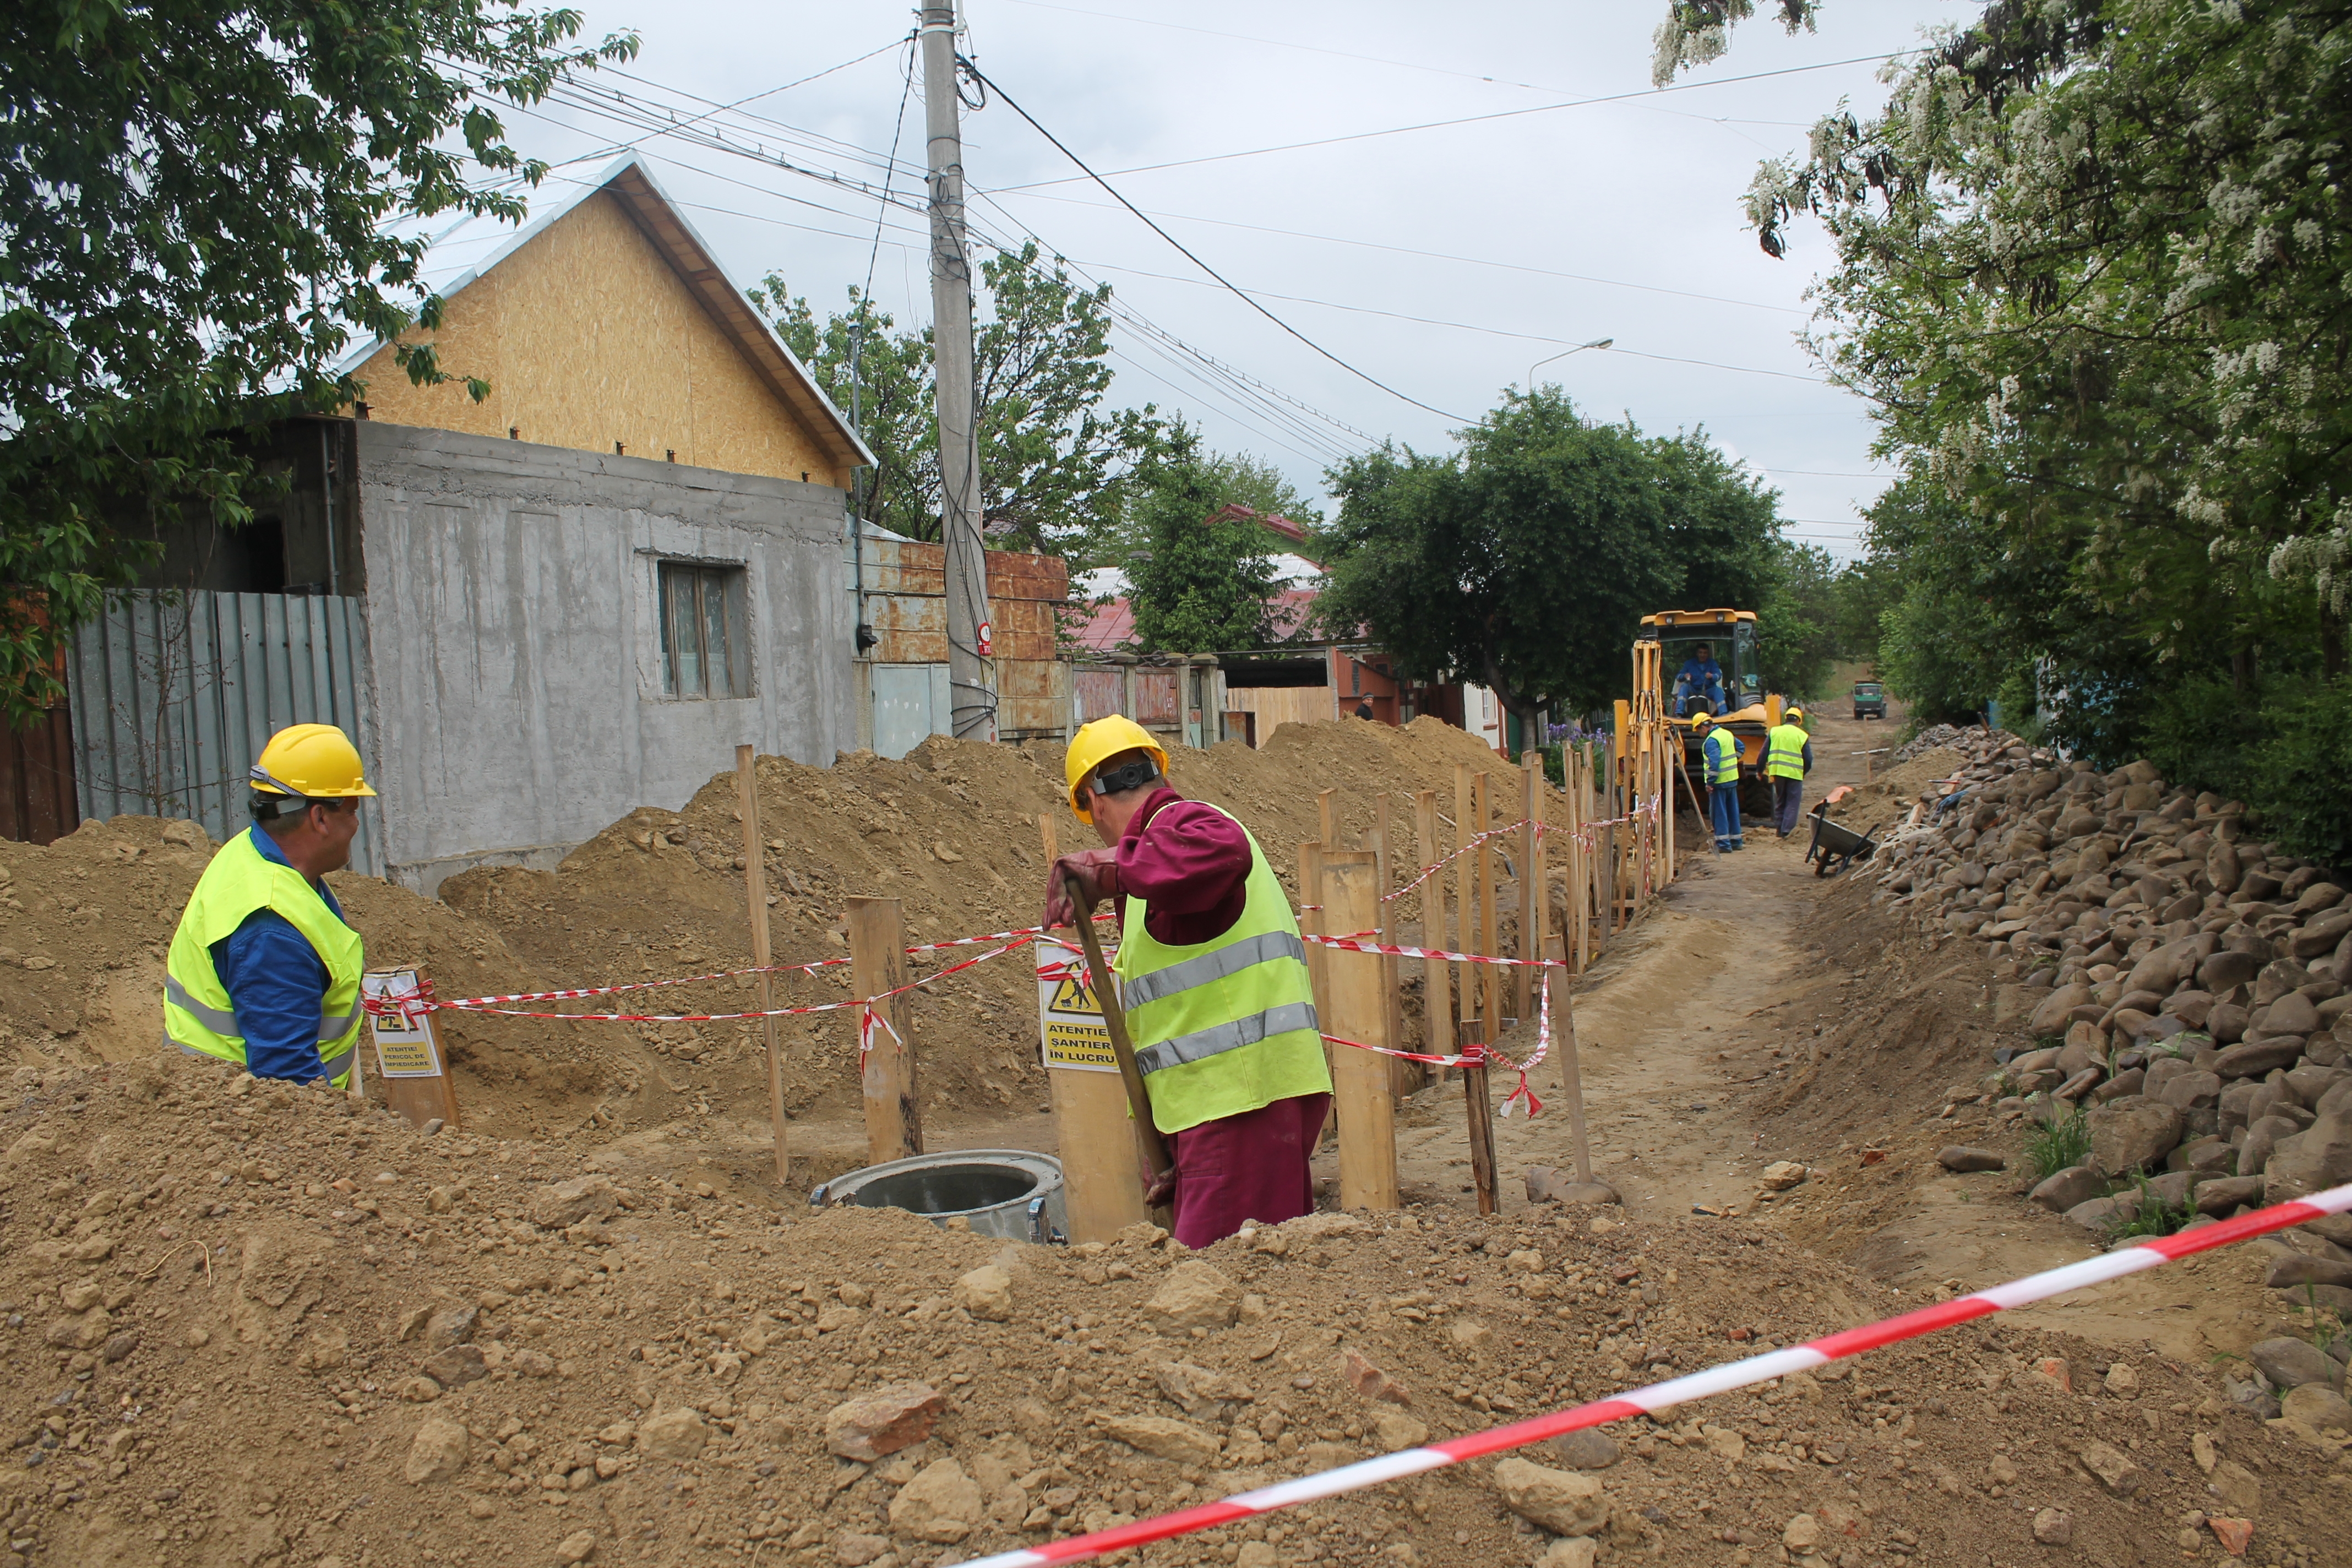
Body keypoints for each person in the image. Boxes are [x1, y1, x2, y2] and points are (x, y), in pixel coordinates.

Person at [1043, 715, 1332, 1249]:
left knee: (1223, 1285)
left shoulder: (1184, 825)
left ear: (1095, 803)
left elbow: (1223, 850)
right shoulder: (1156, 863)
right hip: (1225, 1112)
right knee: (1253, 1275)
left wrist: (1107, 871)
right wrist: (1173, 1141)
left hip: (1239, 1106)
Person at [165, 724, 376, 1086]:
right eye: (352, 810)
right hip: (238, 1116)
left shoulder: (253, 853)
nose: (356, 824)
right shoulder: (272, 931)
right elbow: (290, 1084)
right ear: (320, 818)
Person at [1696, 713, 1743, 852]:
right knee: (1733, 812)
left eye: (1698, 730)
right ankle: (1736, 841)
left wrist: (1710, 783)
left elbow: (1715, 763)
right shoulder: (1726, 734)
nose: (1699, 734)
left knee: (1719, 814)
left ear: (1703, 727)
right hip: (1732, 779)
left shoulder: (1711, 741)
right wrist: (1733, 760)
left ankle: (1723, 845)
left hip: (1720, 782)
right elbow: (1741, 747)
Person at [1766, 705, 1814, 839]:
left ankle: (1779, 828)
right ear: (1799, 721)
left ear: (1786, 719)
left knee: (1781, 799)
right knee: (1793, 802)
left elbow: (1764, 753)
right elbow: (1808, 759)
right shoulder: (1802, 735)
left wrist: (1759, 770)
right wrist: (1803, 772)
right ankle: (1787, 830)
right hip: (1795, 774)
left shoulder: (1774, 732)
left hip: (1777, 772)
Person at [1674, 644, 1727, 717]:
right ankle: (1679, 713)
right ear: (1697, 653)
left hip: (1708, 689)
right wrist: (1685, 676)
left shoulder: (1712, 663)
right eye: (1700, 653)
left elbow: (1718, 675)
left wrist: (1712, 676)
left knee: (1718, 690)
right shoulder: (1689, 663)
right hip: (1693, 689)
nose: (1702, 655)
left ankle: (1723, 714)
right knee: (1684, 687)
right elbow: (1678, 676)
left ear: (1708, 654)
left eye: (1705, 653)